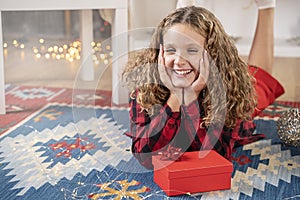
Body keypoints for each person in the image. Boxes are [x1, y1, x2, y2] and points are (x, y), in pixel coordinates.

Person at [122, 0, 284, 169]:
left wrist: (191, 98)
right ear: (160, 52)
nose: (179, 60)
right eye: (171, 50)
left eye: (191, 50)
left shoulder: (229, 91)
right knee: (184, 35)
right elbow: (144, 156)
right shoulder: (146, 87)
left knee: (259, 81)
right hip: (178, 85)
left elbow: (214, 156)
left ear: (211, 55)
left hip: (218, 88)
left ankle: (266, 7)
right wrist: (176, 96)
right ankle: (186, 8)